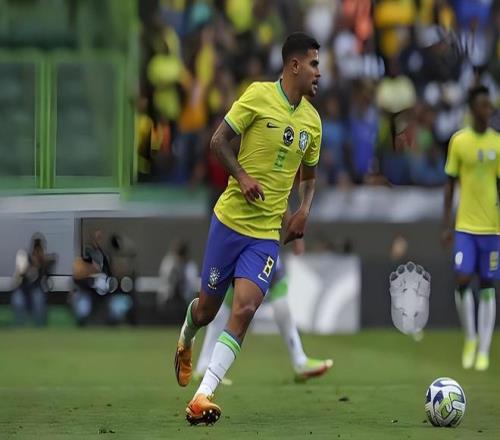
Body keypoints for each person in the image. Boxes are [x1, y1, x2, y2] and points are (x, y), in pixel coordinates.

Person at [174, 32, 322, 425]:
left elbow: (309, 177)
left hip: (265, 235)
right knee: (207, 310)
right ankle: (187, 335)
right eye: (313, 64)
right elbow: (218, 141)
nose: (318, 72)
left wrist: (304, 209)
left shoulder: (313, 122)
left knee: (245, 307)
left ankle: (203, 394)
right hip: (229, 222)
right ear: (294, 66)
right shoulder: (258, 95)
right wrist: (241, 176)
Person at [193, 240, 332, 385]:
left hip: (265, 245)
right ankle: (204, 365)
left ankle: (300, 360)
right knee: (225, 306)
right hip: (245, 246)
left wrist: (297, 237)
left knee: (280, 303)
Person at [442, 85, 500, 371]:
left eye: (489, 106)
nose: (488, 110)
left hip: (491, 228)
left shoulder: (497, 144)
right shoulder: (459, 141)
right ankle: (470, 338)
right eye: (483, 105)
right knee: (463, 277)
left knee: (488, 284)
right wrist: (446, 224)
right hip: (465, 226)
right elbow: (450, 184)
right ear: (473, 109)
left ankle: (484, 350)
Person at [11, 233, 57, 326]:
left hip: (36, 289)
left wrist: (40, 262)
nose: (37, 251)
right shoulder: (24, 257)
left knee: (38, 298)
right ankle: (20, 326)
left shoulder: (44, 261)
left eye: (39, 249)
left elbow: (53, 261)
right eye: (35, 248)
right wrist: (32, 264)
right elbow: (19, 275)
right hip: (23, 289)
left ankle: (39, 326)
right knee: (18, 300)